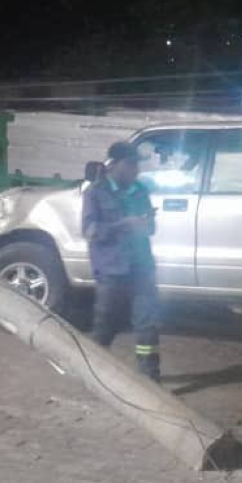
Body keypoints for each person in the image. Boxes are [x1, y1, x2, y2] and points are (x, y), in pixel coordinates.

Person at [81, 141, 162, 381]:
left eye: (137, 165)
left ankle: (150, 379)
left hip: (141, 268)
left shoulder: (141, 191)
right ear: (114, 165)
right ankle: (93, 373)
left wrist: (146, 223)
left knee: (148, 325)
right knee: (105, 325)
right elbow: (90, 231)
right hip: (112, 271)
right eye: (130, 164)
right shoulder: (95, 193)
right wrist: (124, 225)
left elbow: (151, 229)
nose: (136, 170)